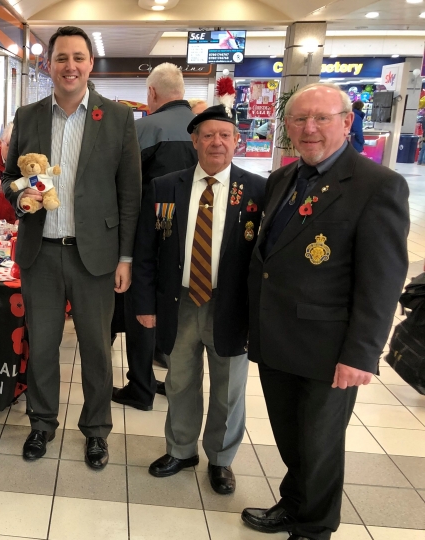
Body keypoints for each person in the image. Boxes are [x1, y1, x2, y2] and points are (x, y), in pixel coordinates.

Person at [243, 83, 409, 540]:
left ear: (347, 122)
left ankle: (314, 527)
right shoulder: (283, 179)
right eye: (299, 119)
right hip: (277, 337)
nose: (309, 128)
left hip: (328, 347)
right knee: (290, 436)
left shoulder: (377, 187)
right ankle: (295, 503)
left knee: (319, 443)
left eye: (321, 118)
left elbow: (381, 281)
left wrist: (361, 354)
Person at [2, 26, 141, 470]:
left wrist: (125, 257)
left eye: (78, 57)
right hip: (39, 253)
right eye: (62, 57)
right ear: (49, 64)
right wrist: (22, 194)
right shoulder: (27, 116)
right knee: (41, 346)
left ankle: (96, 430)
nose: (70, 66)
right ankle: (41, 423)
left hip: (95, 255)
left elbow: (129, 193)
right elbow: (9, 178)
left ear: (90, 64)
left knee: (97, 348)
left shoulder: (117, 118)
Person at [132, 105, 266, 495]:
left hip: (232, 306)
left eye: (225, 135)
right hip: (181, 301)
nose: (216, 142)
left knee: (229, 388)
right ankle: (181, 449)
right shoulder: (165, 187)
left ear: (237, 141)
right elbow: (146, 251)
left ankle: (221, 459)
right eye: (207, 135)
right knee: (181, 381)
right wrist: (144, 304)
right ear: (194, 142)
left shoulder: (257, 190)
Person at [114, 62, 198, 408]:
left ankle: (141, 386)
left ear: (151, 93)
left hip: (149, 236)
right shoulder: (206, 130)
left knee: (141, 312)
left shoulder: (145, 128)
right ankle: (175, 381)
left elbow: (126, 187)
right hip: (197, 238)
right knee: (180, 310)